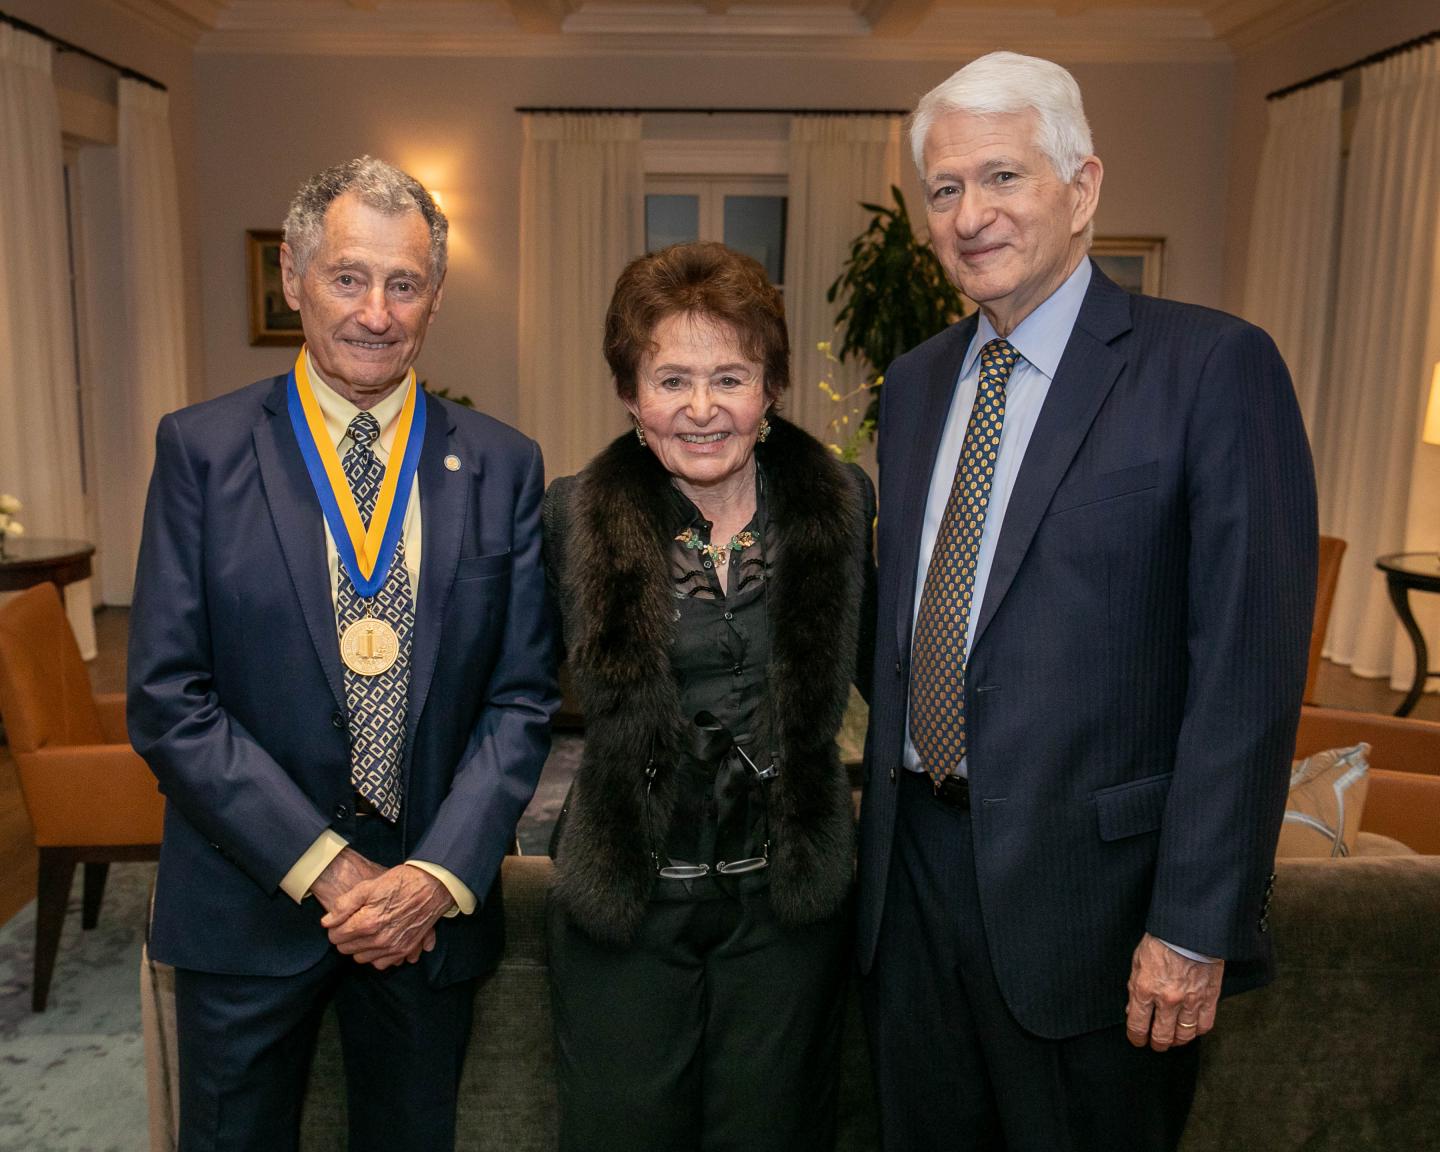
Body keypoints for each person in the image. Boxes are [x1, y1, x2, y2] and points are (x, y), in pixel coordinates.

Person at [856, 52, 1317, 1151]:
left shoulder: (1212, 369)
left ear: (1084, 187)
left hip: (1098, 908)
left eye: (1003, 177)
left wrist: (1194, 924)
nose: (972, 215)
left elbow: (1246, 679)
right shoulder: (918, 384)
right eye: (947, 189)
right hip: (912, 883)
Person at [127, 156, 557, 1152]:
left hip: (426, 918)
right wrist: (326, 870)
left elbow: (522, 698)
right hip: (246, 900)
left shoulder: (502, 463)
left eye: (404, 283)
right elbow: (167, 697)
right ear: (295, 278)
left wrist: (433, 879)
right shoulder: (202, 450)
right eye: (349, 277)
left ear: (436, 295)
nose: (376, 311)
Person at [542, 241, 876, 1152]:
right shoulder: (571, 514)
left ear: (770, 390)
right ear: (629, 393)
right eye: (672, 379)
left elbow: (894, 678)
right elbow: (507, 698)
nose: (701, 410)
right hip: (627, 910)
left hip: (786, 913)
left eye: (729, 377)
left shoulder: (840, 507)